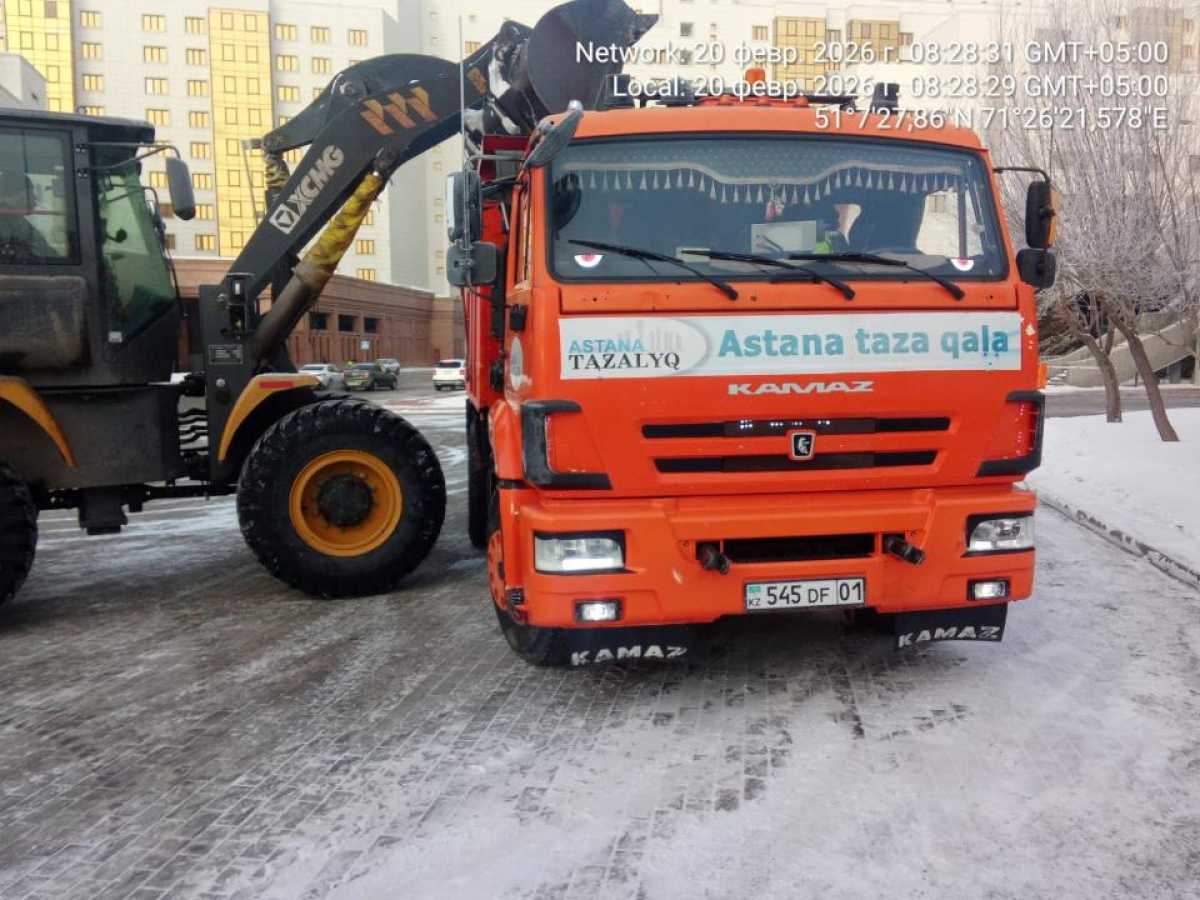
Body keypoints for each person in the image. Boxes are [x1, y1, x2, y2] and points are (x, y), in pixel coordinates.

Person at [0, 168, 56, 261]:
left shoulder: (15, 219)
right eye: (31, 193)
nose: (35, 200)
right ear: (17, 196)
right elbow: (46, 253)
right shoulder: (10, 221)